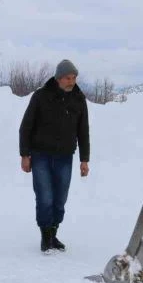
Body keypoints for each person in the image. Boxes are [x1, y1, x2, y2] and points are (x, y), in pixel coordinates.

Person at [19, 59, 90, 253]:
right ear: (59, 78)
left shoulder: (78, 99)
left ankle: (54, 232)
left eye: (74, 77)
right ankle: (45, 236)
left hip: (65, 157)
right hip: (40, 155)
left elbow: (83, 131)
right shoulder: (41, 96)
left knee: (60, 199)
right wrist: (25, 154)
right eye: (68, 77)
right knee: (45, 197)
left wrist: (84, 160)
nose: (72, 81)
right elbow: (26, 127)